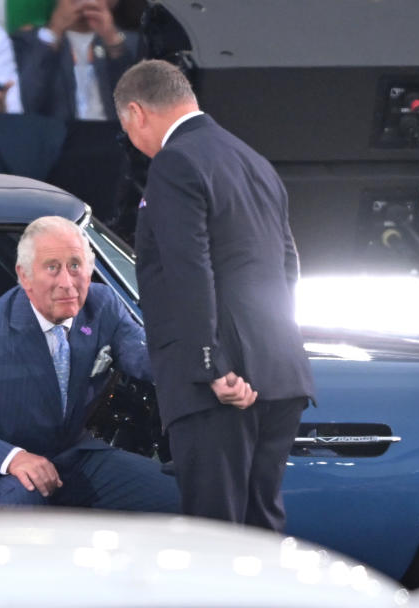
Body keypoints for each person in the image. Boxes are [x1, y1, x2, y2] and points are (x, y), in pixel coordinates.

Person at [113, 59, 314, 531]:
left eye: (127, 127)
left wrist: (212, 366)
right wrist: (270, 352)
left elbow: (189, 267)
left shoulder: (175, 162)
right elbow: (288, 265)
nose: (133, 142)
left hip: (220, 388)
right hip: (279, 375)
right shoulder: (254, 161)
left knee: (216, 536)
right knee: (260, 526)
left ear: (138, 113)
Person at [0, 215, 179, 512]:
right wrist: (14, 458)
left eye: (75, 265)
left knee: (184, 497)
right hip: (6, 477)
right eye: (52, 268)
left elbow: (147, 357)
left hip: (77, 457)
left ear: (91, 267)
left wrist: (210, 370)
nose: (67, 283)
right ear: (24, 276)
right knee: (23, 503)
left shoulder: (102, 306)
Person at [13, 0, 136, 121]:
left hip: (111, 136)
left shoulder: (131, 43)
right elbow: (26, 102)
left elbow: (139, 104)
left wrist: (112, 40)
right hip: (56, 137)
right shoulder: (29, 41)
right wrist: (54, 31)